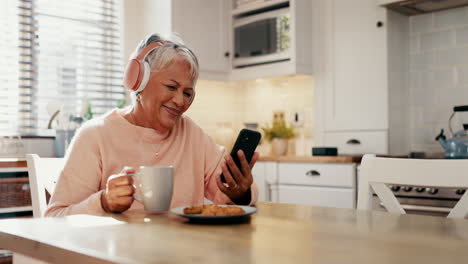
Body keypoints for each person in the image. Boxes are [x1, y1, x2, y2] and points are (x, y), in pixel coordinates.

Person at [45, 33, 259, 216]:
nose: (180, 101)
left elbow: (226, 196)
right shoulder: (95, 136)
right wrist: (103, 202)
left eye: (187, 93)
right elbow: (56, 217)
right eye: (171, 87)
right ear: (139, 81)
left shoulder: (192, 134)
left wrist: (240, 192)